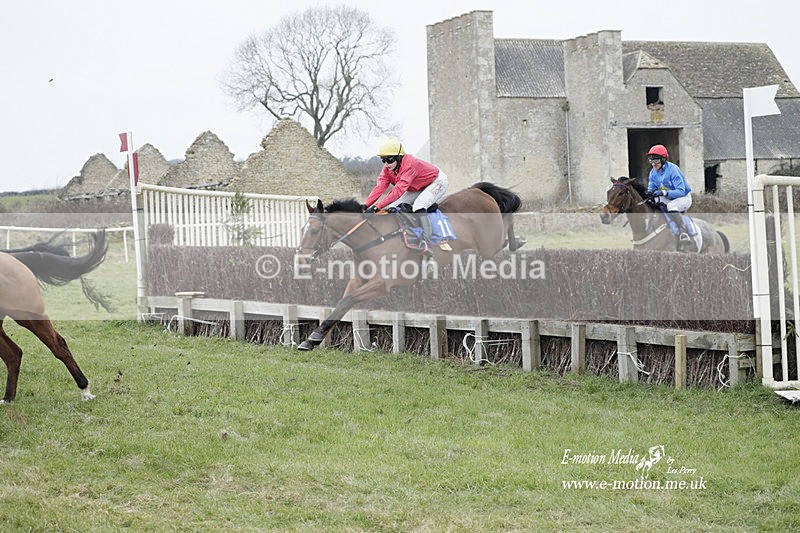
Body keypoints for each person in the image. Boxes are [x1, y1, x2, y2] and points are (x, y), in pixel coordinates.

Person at [363, 139, 448, 246]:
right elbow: (380, 187)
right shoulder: (387, 169)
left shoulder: (410, 165)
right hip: (419, 186)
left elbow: (398, 191)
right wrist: (366, 205)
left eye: (389, 160)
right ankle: (408, 234)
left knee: (419, 206)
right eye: (383, 160)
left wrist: (377, 207)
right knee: (393, 207)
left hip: (437, 181)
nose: (386, 164)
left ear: (399, 157)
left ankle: (428, 241)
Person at [645, 144, 692, 244]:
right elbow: (650, 189)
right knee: (653, 201)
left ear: (663, 160)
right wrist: (647, 194)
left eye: (656, 161)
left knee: (671, 206)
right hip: (669, 197)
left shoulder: (673, 170)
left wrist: (663, 192)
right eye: (651, 161)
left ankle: (683, 232)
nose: (653, 164)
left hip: (683, 198)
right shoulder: (652, 173)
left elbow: (681, 191)